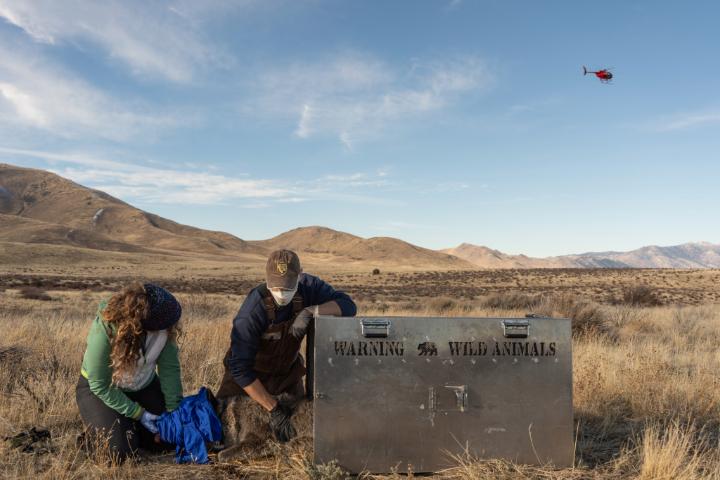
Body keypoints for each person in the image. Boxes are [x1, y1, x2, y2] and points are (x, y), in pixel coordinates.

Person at [216, 249, 356, 442]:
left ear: (300, 275)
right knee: (226, 433)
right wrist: (273, 408)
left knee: (296, 433)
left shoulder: (310, 287)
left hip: (286, 377)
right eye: (276, 288)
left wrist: (311, 311)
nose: (281, 294)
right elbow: (240, 368)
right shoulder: (252, 311)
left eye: (287, 288)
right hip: (249, 382)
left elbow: (348, 306)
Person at [75, 283, 183, 461]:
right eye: (165, 323)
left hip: (143, 386)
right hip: (101, 390)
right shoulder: (106, 328)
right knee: (119, 452)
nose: (171, 326)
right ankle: (97, 434)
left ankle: (127, 427)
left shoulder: (165, 326)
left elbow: (169, 371)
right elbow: (99, 385)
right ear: (145, 323)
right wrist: (139, 414)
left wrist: (174, 412)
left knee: (169, 439)